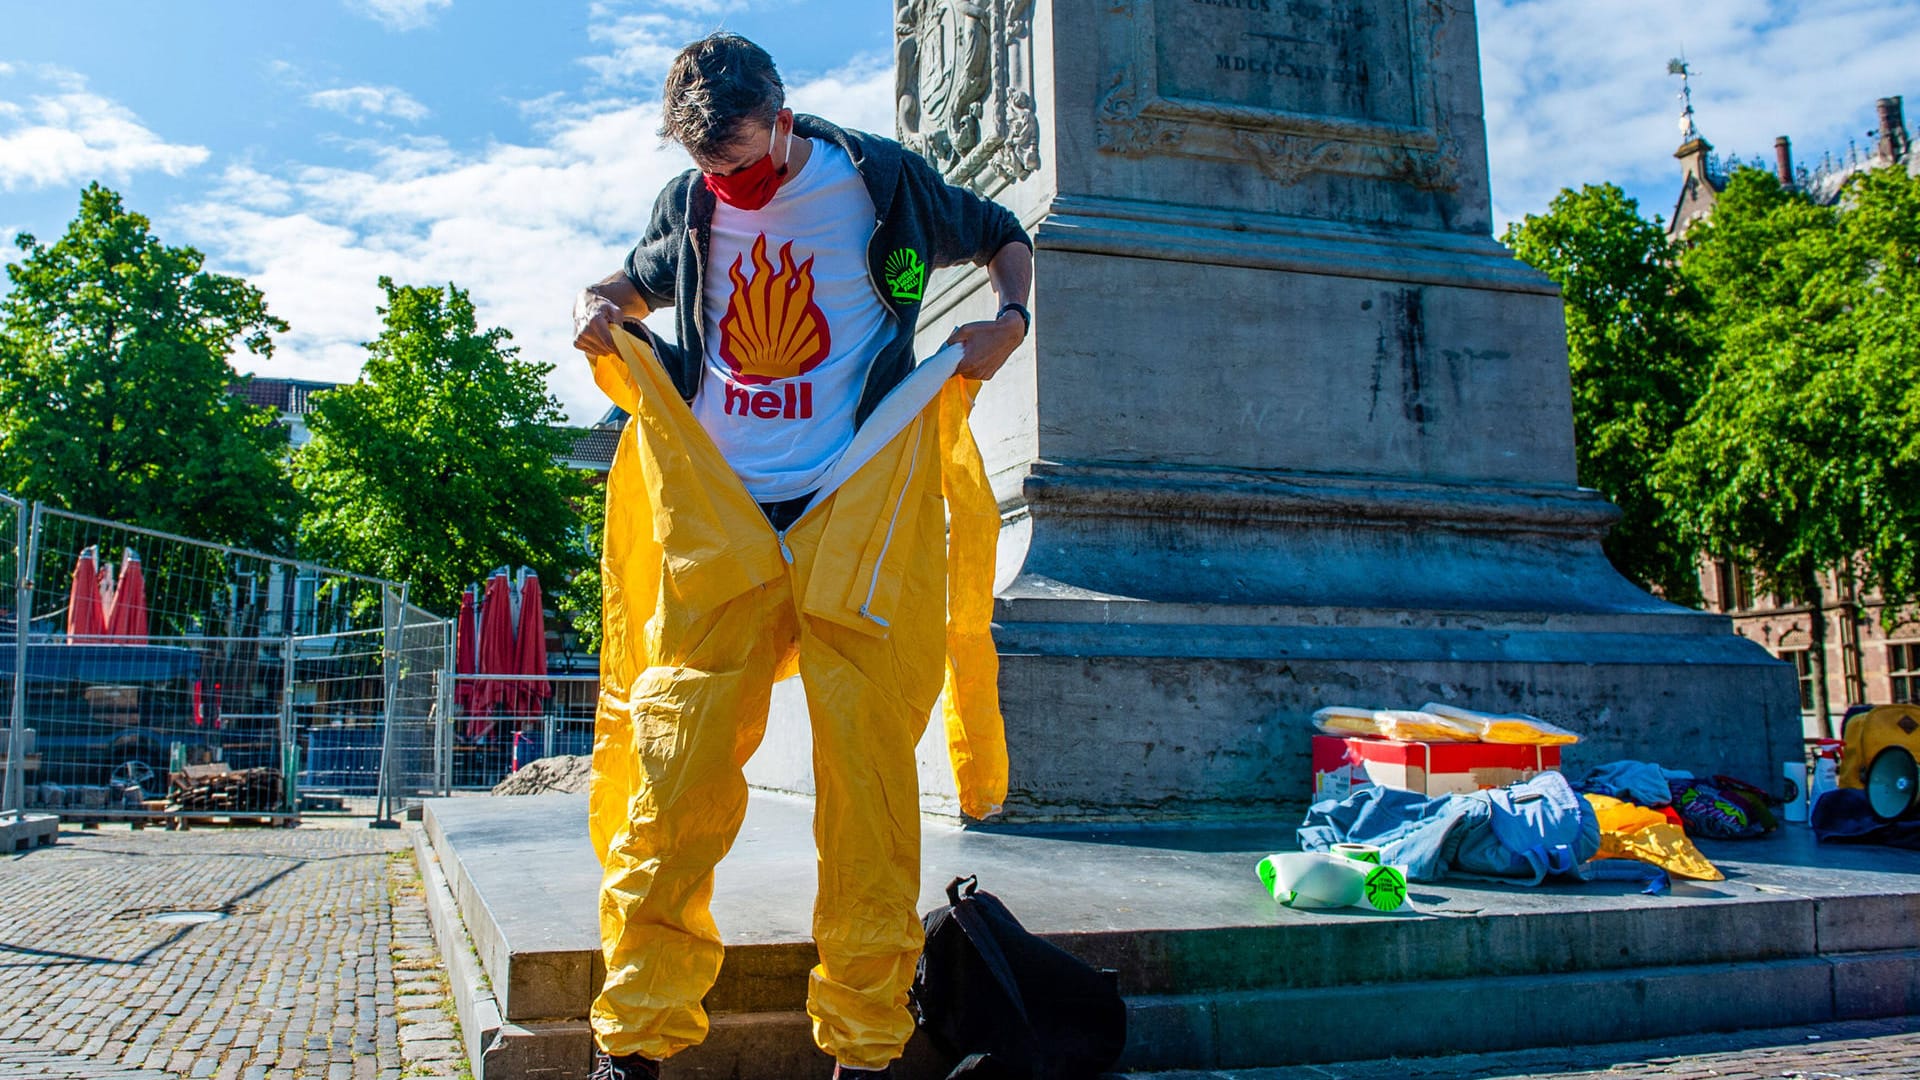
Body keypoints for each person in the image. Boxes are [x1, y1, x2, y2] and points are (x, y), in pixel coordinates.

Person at [569, 32, 1031, 1080]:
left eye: (743, 165)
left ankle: (866, 1052)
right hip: (723, 518)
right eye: (710, 172)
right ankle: (635, 1046)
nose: (730, 187)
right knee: (672, 781)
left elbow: (1004, 235)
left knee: (868, 792)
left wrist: (1011, 318)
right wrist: (598, 308)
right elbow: (627, 284)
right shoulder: (688, 203)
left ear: (783, 119)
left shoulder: (885, 183)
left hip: (857, 505)